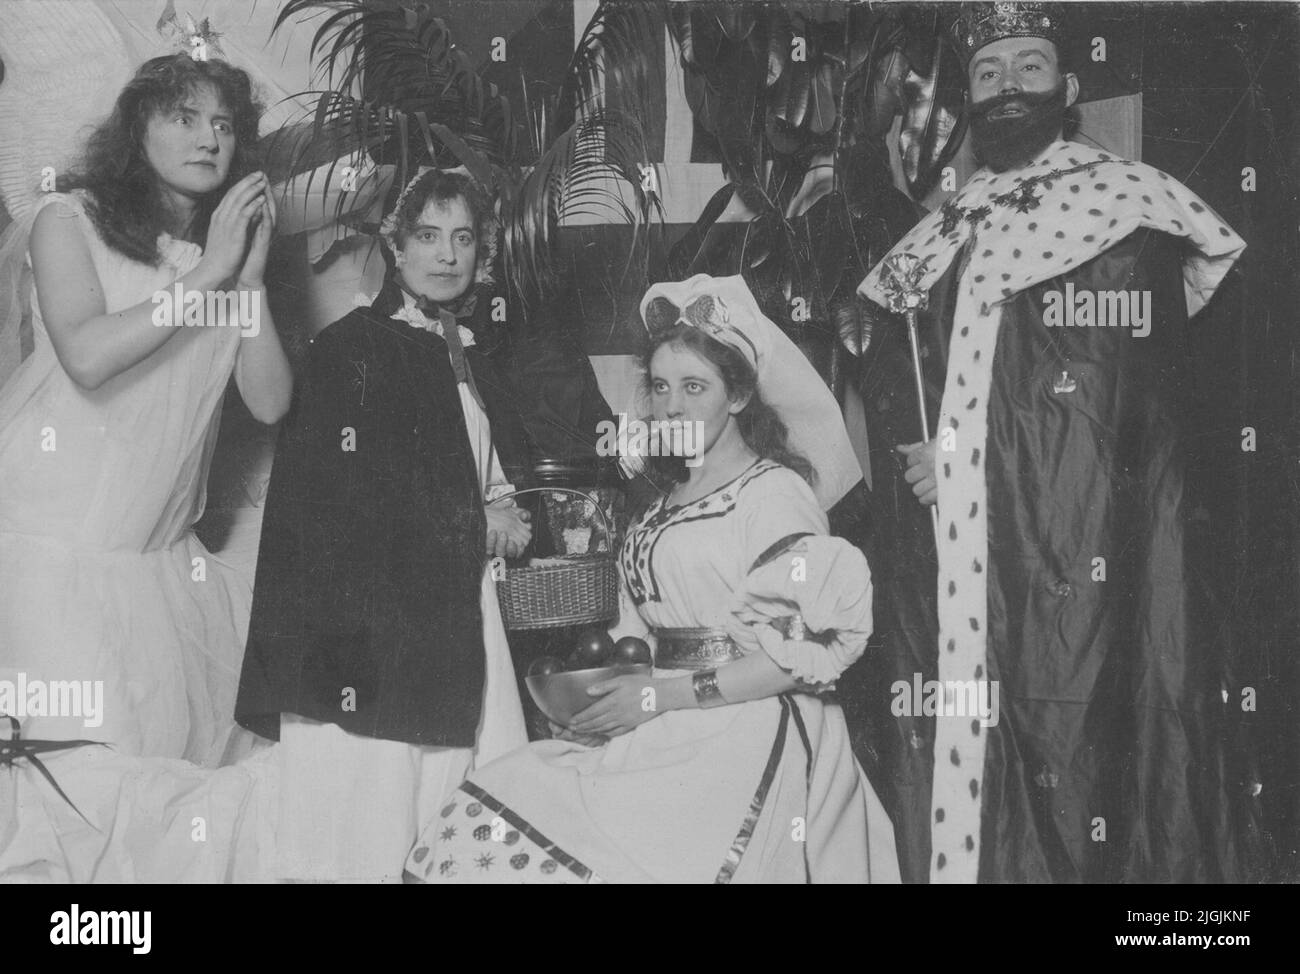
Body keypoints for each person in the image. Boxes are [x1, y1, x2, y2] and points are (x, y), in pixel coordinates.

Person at [857, 2, 1248, 882]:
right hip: (967, 554)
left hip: (1093, 536)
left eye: (1027, 68)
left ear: (1067, 88)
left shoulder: (1132, 207)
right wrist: (928, 450)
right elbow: (901, 373)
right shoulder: (947, 227)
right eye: (987, 75)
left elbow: (1111, 390)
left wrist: (973, 449)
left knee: (1090, 738)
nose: (1006, 89)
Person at [403, 273, 899, 884]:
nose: (672, 406)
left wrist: (654, 698)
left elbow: (794, 659)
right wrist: (595, 708)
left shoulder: (774, 493)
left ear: (738, 396)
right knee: (492, 808)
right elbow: (637, 637)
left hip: (752, 726)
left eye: (695, 387)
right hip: (669, 718)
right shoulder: (664, 501)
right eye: (661, 386)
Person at [234, 168, 535, 882]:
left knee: (451, 828)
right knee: (367, 832)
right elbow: (346, 499)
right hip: (373, 644)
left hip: (455, 617)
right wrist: (475, 519)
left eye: (463, 238)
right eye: (427, 236)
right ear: (395, 249)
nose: (447, 254)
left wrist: (506, 504)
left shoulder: (460, 353)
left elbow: (462, 466)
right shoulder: (354, 347)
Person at [0, 54, 291, 766]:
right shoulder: (67, 219)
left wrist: (247, 281)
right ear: (137, 131)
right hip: (47, 552)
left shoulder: (221, 256)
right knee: (80, 778)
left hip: (158, 564)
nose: (209, 139)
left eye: (223, 124)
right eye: (184, 118)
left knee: (166, 780)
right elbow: (90, 356)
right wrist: (212, 272)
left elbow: (272, 400)